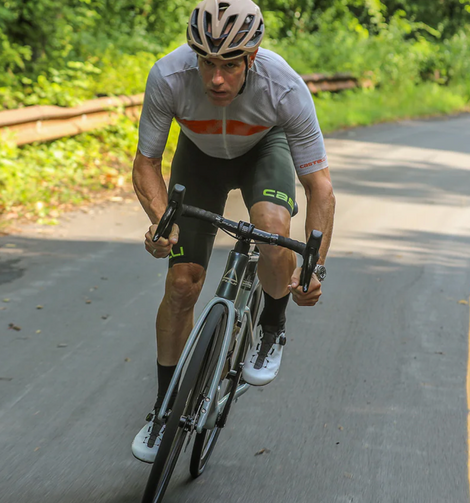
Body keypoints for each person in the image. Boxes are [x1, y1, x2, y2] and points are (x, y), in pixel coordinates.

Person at [131, 0, 335, 463]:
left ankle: (272, 325)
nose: (215, 78)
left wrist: (313, 266)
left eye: (228, 65)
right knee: (182, 283)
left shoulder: (283, 87)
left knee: (271, 229)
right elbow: (146, 164)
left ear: (253, 56)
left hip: (264, 148)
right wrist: (163, 223)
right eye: (206, 62)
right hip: (198, 155)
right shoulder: (168, 77)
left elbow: (319, 186)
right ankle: (163, 408)